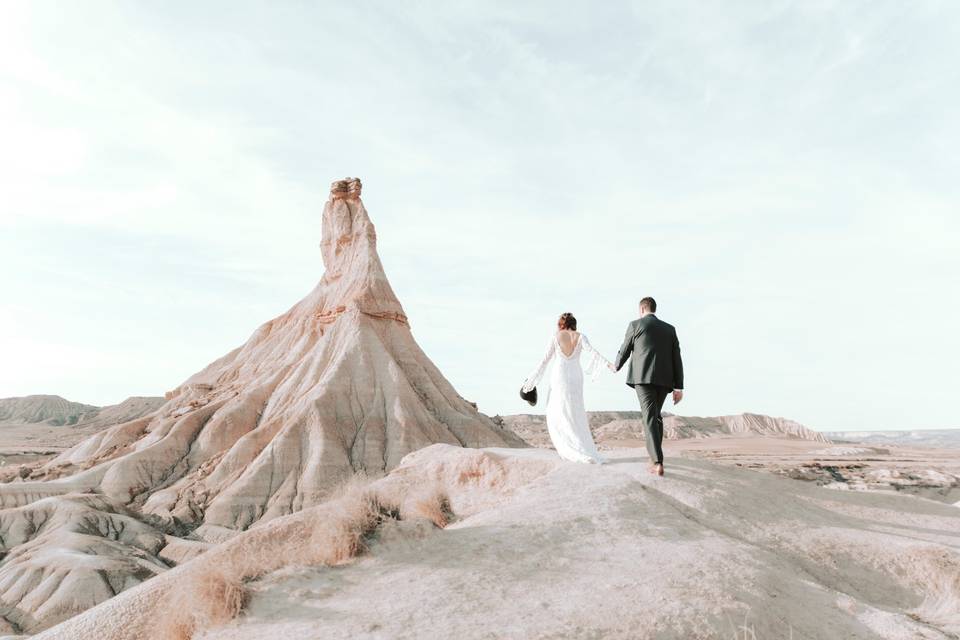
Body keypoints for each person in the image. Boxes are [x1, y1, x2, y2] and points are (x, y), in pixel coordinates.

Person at [521, 313, 613, 464]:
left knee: (556, 411)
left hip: (560, 376)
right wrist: (610, 365)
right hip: (576, 377)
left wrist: (530, 381)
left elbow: (544, 361)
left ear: (561, 324)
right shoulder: (580, 336)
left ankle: (569, 447)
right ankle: (582, 447)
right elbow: (594, 353)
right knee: (576, 412)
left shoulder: (556, 336)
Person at [613, 297, 684, 476]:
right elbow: (677, 359)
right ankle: (654, 455)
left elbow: (625, 348)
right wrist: (679, 387)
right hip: (665, 380)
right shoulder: (670, 329)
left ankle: (657, 461)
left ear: (642, 309)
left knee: (649, 417)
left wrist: (616, 365)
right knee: (656, 416)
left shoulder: (635, 325)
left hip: (643, 378)